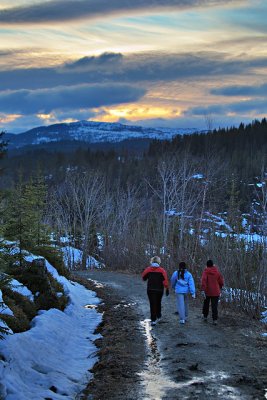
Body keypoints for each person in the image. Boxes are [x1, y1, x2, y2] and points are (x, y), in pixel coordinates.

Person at [142, 256, 169, 326]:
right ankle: (158, 315)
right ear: (159, 262)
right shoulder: (162, 270)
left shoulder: (148, 269)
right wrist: (167, 288)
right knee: (158, 302)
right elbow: (165, 280)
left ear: (152, 261)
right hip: (159, 290)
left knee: (152, 304)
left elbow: (143, 278)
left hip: (150, 289)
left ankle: (153, 320)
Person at [201, 259, 224, 325]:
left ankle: (205, 316)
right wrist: (220, 287)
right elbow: (221, 281)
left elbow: (203, 281)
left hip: (207, 291)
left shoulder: (205, 272)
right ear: (213, 265)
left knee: (206, 304)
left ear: (207, 265)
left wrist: (203, 289)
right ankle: (215, 320)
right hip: (216, 291)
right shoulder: (217, 272)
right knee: (214, 306)